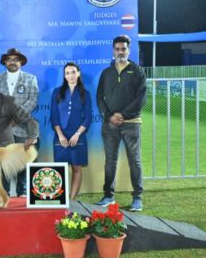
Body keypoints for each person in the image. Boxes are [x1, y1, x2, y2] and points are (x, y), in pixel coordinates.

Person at [96, 35, 147, 211]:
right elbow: (99, 97)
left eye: (123, 49)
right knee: (110, 161)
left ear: (129, 50)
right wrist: (109, 116)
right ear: (113, 51)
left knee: (135, 160)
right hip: (110, 124)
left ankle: (137, 197)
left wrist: (123, 115)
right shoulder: (106, 72)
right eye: (117, 49)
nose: (120, 52)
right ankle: (108, 196)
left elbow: (141, 98)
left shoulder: (137, 71)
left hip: (131, 123)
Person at [0, 48, 39, 196]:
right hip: (2, 129)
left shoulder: (30, 78)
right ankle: (3, 192)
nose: (12, 62)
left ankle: (23, 192)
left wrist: (16, 117)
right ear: (5, 62)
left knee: (23, 160)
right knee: (3, 161)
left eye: (16, 59)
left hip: (23, 128)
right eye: (9, 59)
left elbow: (33, 100)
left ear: (21, 62)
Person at [51, 62, 92, 201]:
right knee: (60, 169)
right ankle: (61, 200)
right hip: (60, 136)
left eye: (73, 72)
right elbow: (54, 116)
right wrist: (60, 135)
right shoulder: (57, 92)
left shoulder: (85, 94)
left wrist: (77, 134)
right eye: (67, 73)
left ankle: (72, 200)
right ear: (64, 76)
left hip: (78, 136)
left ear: (78, 73)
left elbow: (88, 118)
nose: (71, 75)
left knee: (76, 167)